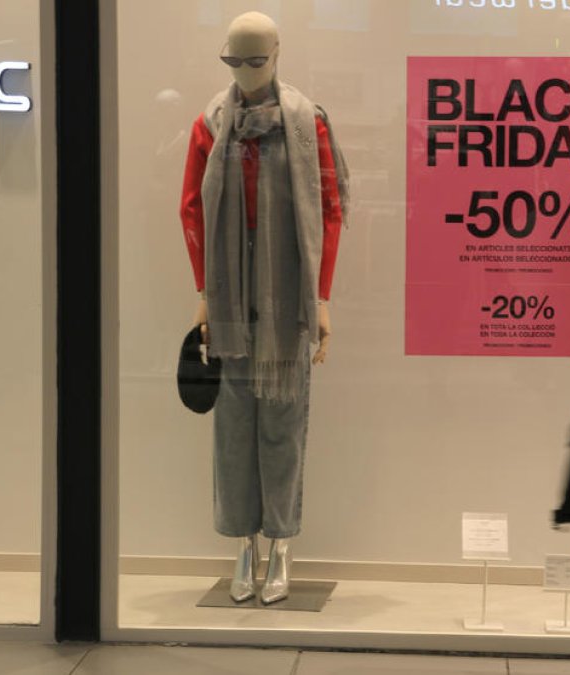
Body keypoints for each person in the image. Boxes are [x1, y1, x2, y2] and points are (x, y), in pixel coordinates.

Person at [178, 11, 348, 605]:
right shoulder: (211, 124)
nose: (246, 73)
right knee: (232, 429)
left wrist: (320, 297)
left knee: (281, 425)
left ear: (277, 54)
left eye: (256, 61)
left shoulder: (307, 124)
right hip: (227, 304)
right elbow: (192, 210)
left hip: (286, 306)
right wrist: (204, 291)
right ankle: (243, 543)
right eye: (234, 62)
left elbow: (327, 211)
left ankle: (280, 542)